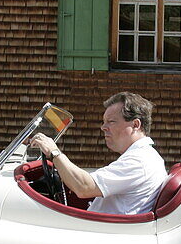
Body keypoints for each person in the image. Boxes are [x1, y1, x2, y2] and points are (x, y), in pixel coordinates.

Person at [29, 92, 167, 215]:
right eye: (104, 122)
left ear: (136, 125)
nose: (103, 127)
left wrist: (54, 152)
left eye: (111, 121)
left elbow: (84, 187)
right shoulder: (143, 156)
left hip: (108, 236)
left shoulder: (139, 161)